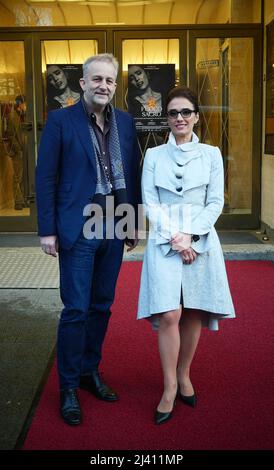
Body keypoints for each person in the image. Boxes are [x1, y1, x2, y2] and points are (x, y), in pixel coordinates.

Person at [36, 53, 141, 426]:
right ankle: (67, 386)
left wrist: (133, 223)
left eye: (110, 81)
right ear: (83, 83)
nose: (103, 86)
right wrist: (47, 229)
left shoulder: (125, 123)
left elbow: (134, 172)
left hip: (114, 222)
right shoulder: (60, 121)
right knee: (76, 308)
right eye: (96, 79)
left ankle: (88, 371)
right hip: (78, 226)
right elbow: (46, 177)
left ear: (116, 86)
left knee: (102, 305)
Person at [137, 86, 235, 425]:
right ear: (166, 118)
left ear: (195, 116)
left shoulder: (211, 154)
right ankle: (167, 388)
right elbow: (149, 201)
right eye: (173, 113)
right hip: (165, 240)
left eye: (185, 112)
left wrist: (192, 235)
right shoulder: (153, 156)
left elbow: (215, 202)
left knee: (193, 309)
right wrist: (176, 238)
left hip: (202, 239)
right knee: (168, 313)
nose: (179, 118)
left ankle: (183, 375)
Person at [6, 95, 27, 210]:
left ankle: (24, 198)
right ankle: (18, 201)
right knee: (18, 176)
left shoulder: (23, 115)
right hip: (17, 151)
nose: (26, 106)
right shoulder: (12, 116)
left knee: (24, 176)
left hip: (25, 150)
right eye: (25, 104)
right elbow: (10, 134)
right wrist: (18, 148)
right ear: (20, 104)